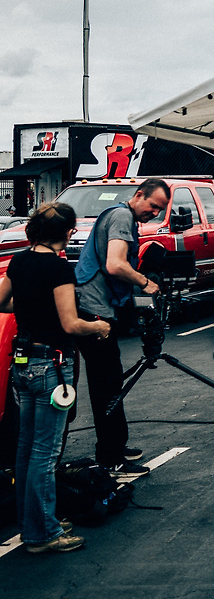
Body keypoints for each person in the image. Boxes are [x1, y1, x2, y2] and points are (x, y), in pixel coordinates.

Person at [1, 204, 113, 553]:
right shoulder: (59, 268)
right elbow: (71, 324)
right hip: (52, 364)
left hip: (23, 365)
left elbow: (2, 303)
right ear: (65, 232)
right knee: (45, 453)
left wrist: (31, 305)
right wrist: (99, 327)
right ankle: (43, 533)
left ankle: (32, 523)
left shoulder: (19, 261)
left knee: (25, 449)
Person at [73, 177, 171, 476]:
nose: (154, 213)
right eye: (153, 206)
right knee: (107, 386)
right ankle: (111, 457)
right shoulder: (121, 216)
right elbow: (115, 264)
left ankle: (113, 446)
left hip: (97, 309)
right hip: (94, 312)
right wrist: (145, 282)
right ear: (139, 195)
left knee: (110, 382)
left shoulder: (121, 215)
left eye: (160, 209)